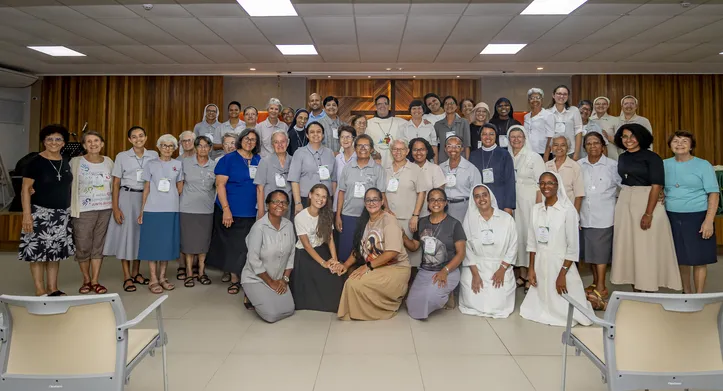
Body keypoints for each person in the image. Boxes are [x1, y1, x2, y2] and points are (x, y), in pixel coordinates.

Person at [610, 124, 681, 292]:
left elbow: (656, 186)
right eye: (625, 137)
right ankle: (635, 290)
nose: (628, 140)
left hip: (648, 200)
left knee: (647, 247)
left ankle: (649, 289)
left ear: (641, 137)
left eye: (632, 136)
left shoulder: (652, 157)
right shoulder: (622, 158)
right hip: (626, 200)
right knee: (630, 246)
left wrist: (648, 213)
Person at [519, 172, 593, 327]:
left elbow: (573, 247)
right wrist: (531, 268)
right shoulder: (536, 209)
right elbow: (532, 242)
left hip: (560, 263)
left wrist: (562, 274)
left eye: (550, 183)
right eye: (543, 183)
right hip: (540, 261)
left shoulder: (567, 210)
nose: (546, 187)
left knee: (569, 308)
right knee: (532, 308)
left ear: (557, 185)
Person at [337, 187, 411, 320]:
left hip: (396, 269)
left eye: (375, 199)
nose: (372, 203)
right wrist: (346, 265)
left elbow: (392, 252)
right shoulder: (365, 221)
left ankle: (384, 308)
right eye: (368, 200)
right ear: (365, 203)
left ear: (382, 201)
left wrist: (368, 266)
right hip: (378, 267)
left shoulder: (389, 220)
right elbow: (359, 249)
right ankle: (356, 311)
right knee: (350, 278)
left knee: (354, 283)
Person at [19, 124, 75, 296]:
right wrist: (27, 215)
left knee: (54, 253)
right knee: (37, 253)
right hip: (39, 213)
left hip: (61, 214)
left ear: (64, 142)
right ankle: (39, 289)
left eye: (58, 139)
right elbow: (25, 190)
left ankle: (53, 288)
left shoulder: (65, 160)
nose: (54, 142)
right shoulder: (35, 162)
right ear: (43, 141)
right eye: (49, 139)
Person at [207, 128, 262, 294]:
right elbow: (220, 185)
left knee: (249, 247)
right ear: (241, 140)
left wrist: (261, 211)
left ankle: (247, 278)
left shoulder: (258, 160)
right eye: (247, 138)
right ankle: (234, 279)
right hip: (231, 211)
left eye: (253, 140)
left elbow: (260, 187)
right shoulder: (228, 159)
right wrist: (226, 210)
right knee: (233, 247)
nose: (249, 142)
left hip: (251, 211)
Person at [664, 131, 719, 294]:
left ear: (691, 145)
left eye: (684, 141)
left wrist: (708, 221)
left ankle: (699, 295)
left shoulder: (703, 165)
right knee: (681, 259)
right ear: (670, 145)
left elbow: (714, 194)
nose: (679, 144)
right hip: (672, 217)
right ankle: (686, 293)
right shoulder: (664, 164)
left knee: (699, 259)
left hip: (698, 217)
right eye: (675, 141)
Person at [103, 126, 156, 293]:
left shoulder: (153, 155)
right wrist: (115, 207)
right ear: (129, 140)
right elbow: (116, 183)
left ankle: (136, 273)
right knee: (126, 236)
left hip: (147, 199)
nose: (138, 139)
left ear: (146, 137)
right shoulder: (122, 156)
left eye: (141, 135)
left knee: (140, 236)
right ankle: (127, 276)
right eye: (134, 136)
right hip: (127, 197)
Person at [403, 188, 466, 320]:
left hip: (447, 271)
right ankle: (440, 292)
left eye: (439, 200)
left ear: (445, 203)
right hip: (425, 270)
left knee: (429, 298)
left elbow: (461, 254)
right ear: (428, 203)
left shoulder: (455, 224)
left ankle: (448, 294)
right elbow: (414, 247)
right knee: (411, 304)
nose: (436, 203)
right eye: (432, 199)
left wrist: (445, 270)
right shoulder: (422, 222)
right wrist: (402, 236)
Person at [458, 184, 517, 318]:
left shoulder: (506, 219)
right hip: (476, 265)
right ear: (473, 200)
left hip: (500, 264)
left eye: (484, 195)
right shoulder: (468, 221)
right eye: (477, 196)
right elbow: (466, 249)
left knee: (498, 304)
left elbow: (513, 246)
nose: (481, 199)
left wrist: (502, 269)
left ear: (490, 196)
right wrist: (475, 274)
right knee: (473, 300)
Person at [579, 132, 620, 310]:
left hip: (604, 215)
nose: (593, 146)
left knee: (601, 253)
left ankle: (602, 287)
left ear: (603, 146)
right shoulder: (579, 165)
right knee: (591, 253)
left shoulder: (612, 166)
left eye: (596, 143)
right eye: (589, 143)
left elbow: (624, 186)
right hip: (585, 215)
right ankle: (595, 283)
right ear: (584, 147)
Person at [137, 134, 183, 294]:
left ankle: (163, 277)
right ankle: (153, 279)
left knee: (166, 244)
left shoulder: (178, 164)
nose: (167, 148)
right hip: (152, 209)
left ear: (175, 148)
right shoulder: (150, 164)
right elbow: (146, 188)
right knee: (152, 244)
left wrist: (170, 198)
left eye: (171, 146)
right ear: (158, 147)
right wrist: (142, 210)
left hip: (171, 209)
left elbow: (180, 186)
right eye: (164, 145)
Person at [241, 190, 296, 323]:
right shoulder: (258, 227)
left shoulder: (288, 225)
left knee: (289, 309)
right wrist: (271, 283)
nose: (280, 205)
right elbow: (253, 260)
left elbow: (291, 255)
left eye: (283, 202)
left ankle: (264, 296)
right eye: (275, 202)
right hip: (256, 278)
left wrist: (284, 279)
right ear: (267, 205)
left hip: (278, 278)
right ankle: (249, 294)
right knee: (271, 315)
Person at [70, 130, 113, 295]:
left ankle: (95, 280)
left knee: (98, 246)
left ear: (102, 144)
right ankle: (86, 279)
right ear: (84, 145)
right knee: (83, 246)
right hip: (83, 210)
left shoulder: (109, 161)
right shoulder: (75, 162)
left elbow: (116, 184)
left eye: (96, 141)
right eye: (89, 141)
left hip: (105, 209)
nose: (93, 144)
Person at [291, 184, 345, 312]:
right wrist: (324, 263)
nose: (320, 199)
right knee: (323, 274)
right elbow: (307, 245)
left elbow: (330, 239)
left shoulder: (326, 214)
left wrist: (334, 260)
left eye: (324, 197)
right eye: (317, 195)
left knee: (337, 274)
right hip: (305, 254)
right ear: (310, 195)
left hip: (322, 249)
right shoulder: (300, 217)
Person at [336, 134, 387, 262]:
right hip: (348, 215)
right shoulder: (347, 168)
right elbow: (341, 192)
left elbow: (382, 194)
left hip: (370, 217)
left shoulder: (378, 169)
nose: (363, 148)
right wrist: (338, 215)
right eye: (359, 145)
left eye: (366, 145)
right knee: (346, 252)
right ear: (355, 148)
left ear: (371, 149)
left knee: (367, 252)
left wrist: (385, 214)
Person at [507, 125, 545, 292]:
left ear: (525, 138)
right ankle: (522, 274)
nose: (516, 139)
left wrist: (538, 207)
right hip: (512, 201)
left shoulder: (534, 157)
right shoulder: (506, 156)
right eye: (512, 137)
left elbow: (541, 184)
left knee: (530, 237)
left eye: (519, 136)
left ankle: (532, 275)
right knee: (518, 236)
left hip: (529, 202)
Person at [386, 139, 430, 267]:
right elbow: (382, 193)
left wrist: (415, 216)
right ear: (391, 151)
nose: (398, 152)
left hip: (408, 220)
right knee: (392, 256)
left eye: (401, 149)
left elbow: (422, 193)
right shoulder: (386, 169)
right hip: (390, 219)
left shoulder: (415, 169)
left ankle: (411, 285)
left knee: (410, 260)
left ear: (407, 151)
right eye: (395, 149)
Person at [179, 135, 216, 287]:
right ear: (195, 148)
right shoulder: (184, 163)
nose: (203, 149)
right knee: (188, 242)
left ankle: (201, 272)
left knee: (203, 242)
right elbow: (179, 186)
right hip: (187, 208)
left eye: (206, 146)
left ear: (210, 148)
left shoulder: (215, 165)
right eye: (199, 146)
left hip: (207, 209)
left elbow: (218, 187)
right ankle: (189, 273)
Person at [289, 122, 337, 215]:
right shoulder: (299, 153)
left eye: (319, 132)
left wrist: (333, 201)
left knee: (325, 228)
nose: (315, 134)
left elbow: (334, 180)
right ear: (307, 135)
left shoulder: (330, 153)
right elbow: (294, 180)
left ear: (323, 135)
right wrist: (298, 203)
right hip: (306, 200)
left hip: (326, 200)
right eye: (312, 132)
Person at [468, 123, 516, 215]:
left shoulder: (504, 154)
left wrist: (509, 206)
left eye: (491, 134)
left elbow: (510, 181)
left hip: (500, 199)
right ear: (480, 137)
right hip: (479, 201)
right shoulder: (473, 155)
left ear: (496, 136)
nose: (488, 137)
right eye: (484, 134)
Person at [439, 136, 481, 223]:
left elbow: (477, 193)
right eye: (449, 146)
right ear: (445, 149)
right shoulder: (440, 168)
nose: (453, 149)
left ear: (462, 149)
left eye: (457, 146)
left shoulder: (471, 169)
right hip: (444, 207)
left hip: (464, 207)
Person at [255, 131, 292, 219]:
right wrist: (261, 212)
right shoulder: (264, 161)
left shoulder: (294, 161)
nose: (280, 145)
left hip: (286, 208)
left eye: (282, 141)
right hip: (268, 209)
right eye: (276, 142)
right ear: (272, 144)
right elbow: (260, 189)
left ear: (288, 142)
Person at [408, 138, 446, 218]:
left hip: (429, 215)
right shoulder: (407, 169)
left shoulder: (435, 169)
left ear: (427, 151)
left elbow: (439, 196)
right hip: (409, 215)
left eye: (422, 149)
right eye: (415, 149)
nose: (418, 153)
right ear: (410, 152)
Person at [545, 135, 584, 212]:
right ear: (552, 148)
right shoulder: (546, 166)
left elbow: (579, 195)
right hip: (549, 211)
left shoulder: (575, 167)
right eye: (556, 145)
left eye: (563, 145)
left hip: (568, 212)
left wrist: (575, 216)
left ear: (568, 148)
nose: (559, 148)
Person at [366, 94, 406, 167]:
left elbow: (414, 125)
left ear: (389, 105)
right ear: (376, 106)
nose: (382, 106)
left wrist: (424, 120)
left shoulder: (400, 122)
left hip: (396, 163)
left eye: (385, 103)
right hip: (375, 162)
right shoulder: (368, 123)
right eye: (379, 104)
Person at [549, 85, 583, 160]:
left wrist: (576, 153)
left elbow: (578, 132)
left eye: (565, 94)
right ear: (553, 95)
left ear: (568, 96)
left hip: (570, 152)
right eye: (559, 93)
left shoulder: (574, 110)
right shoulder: (547, 112)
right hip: (552, 152)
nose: (561, 96)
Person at [434, 96, 471, 162]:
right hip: (443, 160)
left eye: (452, 103)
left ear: (456, 106)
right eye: (446, 103)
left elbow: (467, 144)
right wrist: (436, 163)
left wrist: (467, 162)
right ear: (443, 107)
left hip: (460, 160)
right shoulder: (438, 125)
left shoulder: (464, 122)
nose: (449, 105)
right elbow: (434, 145)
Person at [524, 88, 554, 161]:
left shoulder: (548, 115)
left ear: (542, 100)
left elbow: (551, 137)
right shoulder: (526, 116)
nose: (535, 100)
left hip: (543, 152)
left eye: (538, 98)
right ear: (528, 101)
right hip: (529, 152)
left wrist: (546, 155)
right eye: (532, 98)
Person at [333, 125, 357, 214]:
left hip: (355, 202)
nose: (345, 140)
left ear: (354, 138)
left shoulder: (359, 158)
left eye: (348, 137)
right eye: (342, 137)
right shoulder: (337, 158)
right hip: (338, 202)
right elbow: (335, 180)